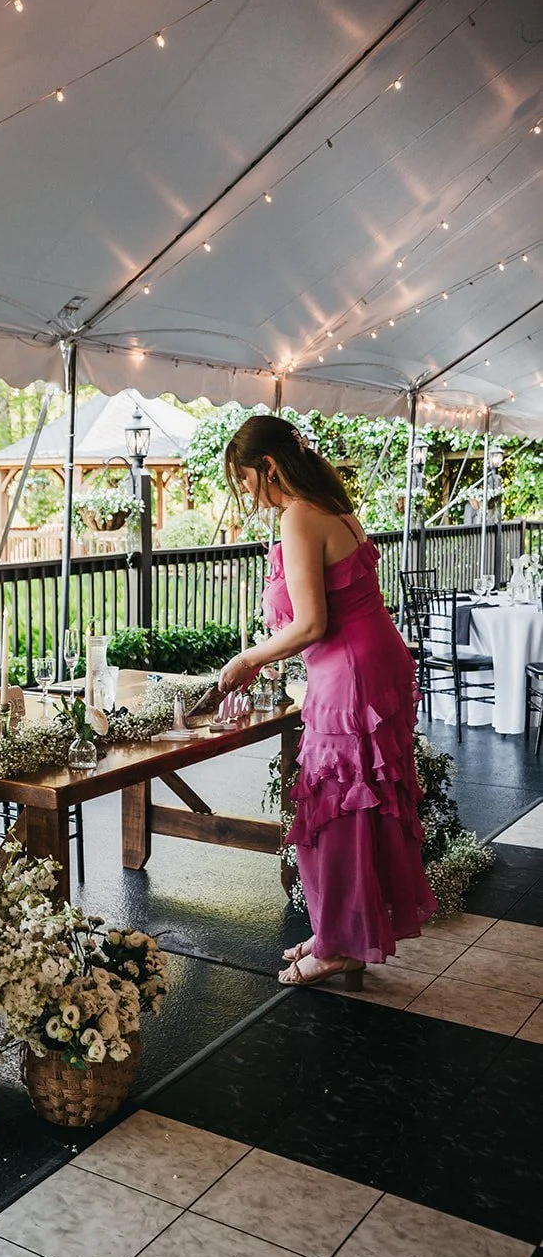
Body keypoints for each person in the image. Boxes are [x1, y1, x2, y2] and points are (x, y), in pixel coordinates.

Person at [218, 416, 436, 987]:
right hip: (371, 663)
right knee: (357, 805)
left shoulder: (298, 515)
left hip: (352, 674)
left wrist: (249, 659)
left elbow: (312, 623)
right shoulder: (331, 504)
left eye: (244, 478)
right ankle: (339, 928)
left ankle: (341, 943)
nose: (246, 491)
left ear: (269, 467)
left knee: (335, 808)